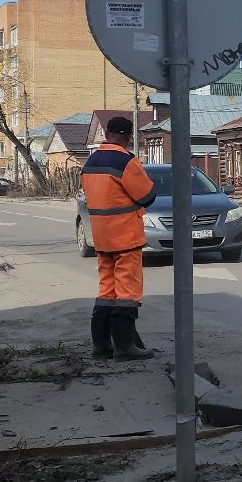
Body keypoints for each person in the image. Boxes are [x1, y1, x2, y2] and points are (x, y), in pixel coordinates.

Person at [81, 116, 158, 360]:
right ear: (127, 136)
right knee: (127, 291)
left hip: (101, 237)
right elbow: (147, 196)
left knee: (107, 290)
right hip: (125, 237)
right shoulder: (126, 162)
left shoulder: (91, 162)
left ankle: (101, 346)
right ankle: (125, 347)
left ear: (106, 132)